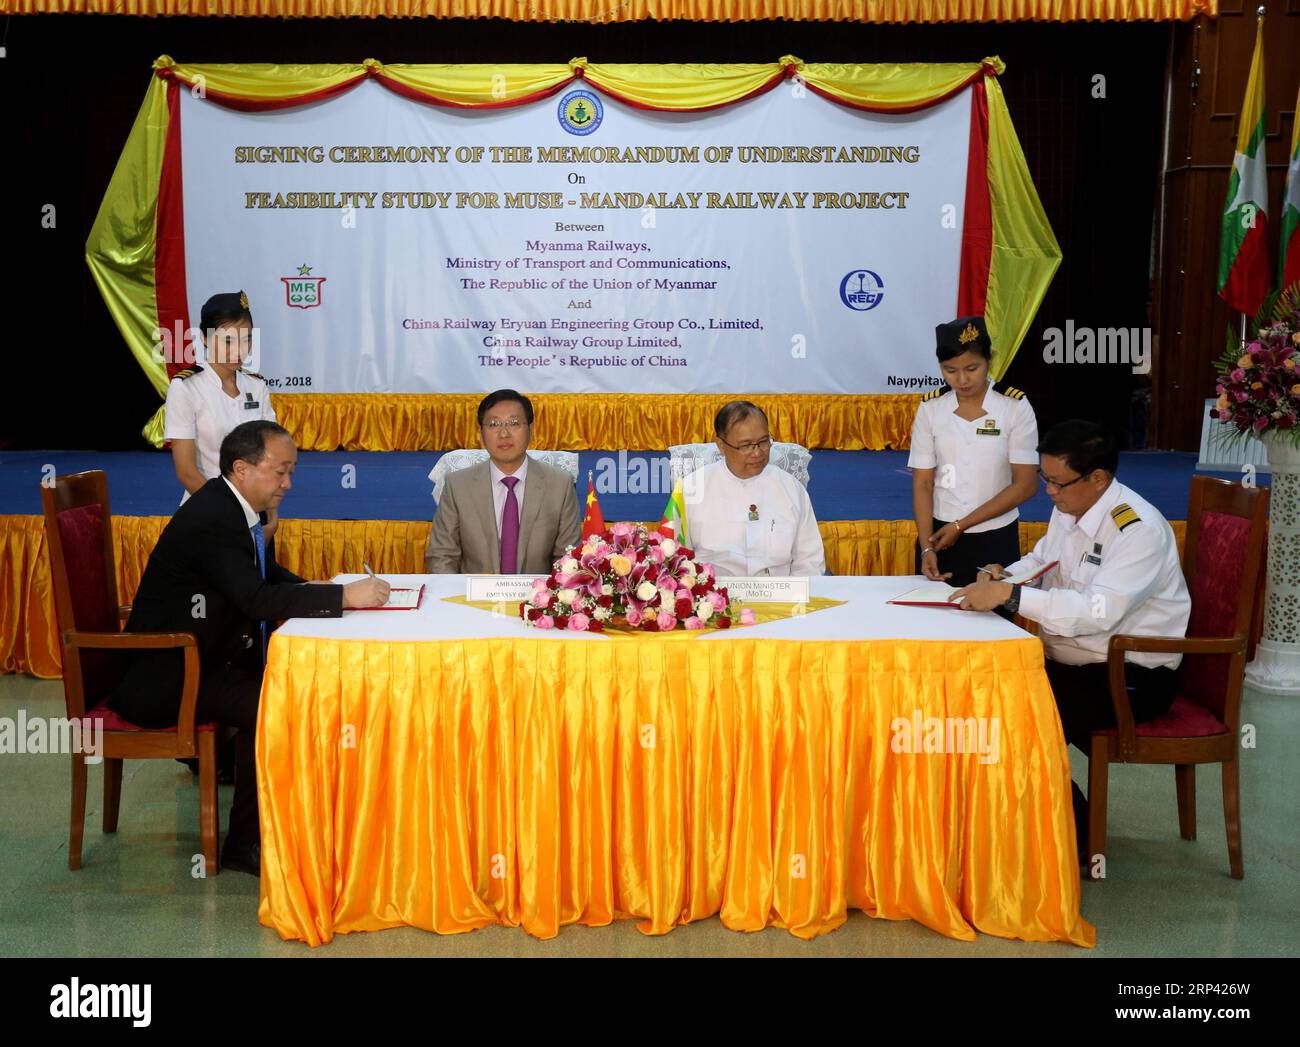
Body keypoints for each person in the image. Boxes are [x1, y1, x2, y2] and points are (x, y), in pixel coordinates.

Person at [109, 421, 389, 875]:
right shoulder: (214, 518)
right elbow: (256, 600)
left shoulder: (231, 506)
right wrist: (342, 597)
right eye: (280, 471)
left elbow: (264, 575)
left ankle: (262, 831)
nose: (288, 483)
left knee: (277, 692)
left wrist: (325, 589)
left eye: (291, 472)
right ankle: (246, 844)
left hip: (207, 659)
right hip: (170, 676)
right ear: (241, 468)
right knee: (279, 703)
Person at [951, 420, 1190, 859]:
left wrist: (1013, 595)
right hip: (1071, 662)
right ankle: (1015, 823)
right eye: (1046, 480)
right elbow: (1044, 560)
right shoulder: (1072, 509)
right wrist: (1006, 574)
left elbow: (1097, 612)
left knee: (1016, 715)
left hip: (1128, 676)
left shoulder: (1137, 531)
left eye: (1058, 483)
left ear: (1098, 478)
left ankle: (1074, 835)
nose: (1050, 493)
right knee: (979, 694)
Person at [908, 316, 1039, 586]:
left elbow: (1026, 485)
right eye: (950, 370)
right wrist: (926, 548)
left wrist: (961, 525)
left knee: (996, 623)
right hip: (938, 536)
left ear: (990, 359)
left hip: (995, 538)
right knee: (932, 624)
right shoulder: (931, 408)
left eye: (972, 368)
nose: (962, 379)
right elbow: (922, 483)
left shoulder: (1014, 406)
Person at [425, 389, 581, 574]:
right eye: (494, 424)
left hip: (536, 599)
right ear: (481, 433)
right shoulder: (457, 485)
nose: (504, 433)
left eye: (514, 423)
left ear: (531, 430)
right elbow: (442, 556)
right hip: (472, 599)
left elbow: (567, 558)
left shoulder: (560, 485)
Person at [165, 291, 280, 532]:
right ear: (205, 339)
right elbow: (187, 472)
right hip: (207, 515)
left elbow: (271, 458)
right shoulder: (186, 387)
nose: (239, 349)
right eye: (228, 341)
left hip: (256, 515)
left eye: (246, 339)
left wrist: (270, 516)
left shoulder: (256, 386)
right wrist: (233, 515)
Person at [683, 400, 825, 577]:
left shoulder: (790, 488)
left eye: (764, 442)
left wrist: (796, 600)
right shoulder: (691, 489)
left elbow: (809, 561)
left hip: (780, 597)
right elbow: (677, 560)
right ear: (721, 445)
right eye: (746, 445)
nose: (757, 453)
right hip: (715, 598)